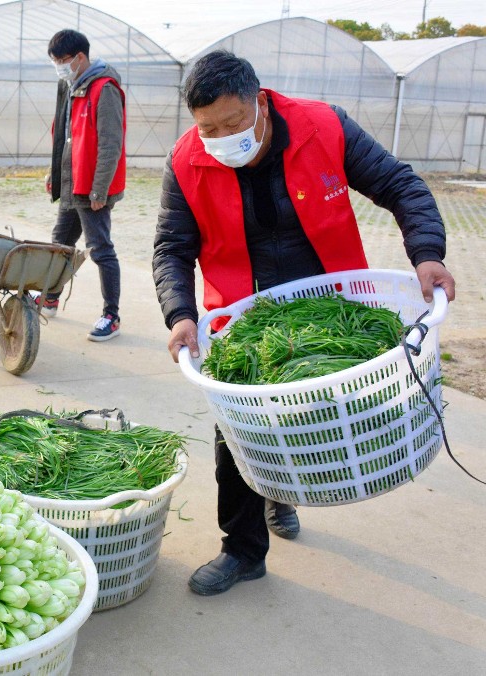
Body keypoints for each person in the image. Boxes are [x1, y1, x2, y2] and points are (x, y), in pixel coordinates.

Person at [152, 50, 456, 595]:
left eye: (232, 123)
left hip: (326, 303)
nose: (221, 137)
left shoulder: (324, 126)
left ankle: (280, 489)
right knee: (238, 432)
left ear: (260, 101)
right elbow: (172, 247)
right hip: (243, 313)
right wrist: (180, 315)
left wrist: (427, 252)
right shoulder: (185, 161)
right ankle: (242, 550)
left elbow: (399, 185)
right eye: (208, 129)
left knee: (310, 410)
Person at [41, 29, 126, 342]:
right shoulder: (70, 86)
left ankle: (111, 316)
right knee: (60, 243)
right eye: (55, 62)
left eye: (63, 60)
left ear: (80, 57)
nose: (60, 67)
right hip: (72, 182)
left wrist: (100, 189)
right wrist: (56, 173)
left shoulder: (104, 89)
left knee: (100, 249)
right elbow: (65, 135)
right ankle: (50, 298)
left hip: (92, 188)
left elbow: (110, 143)